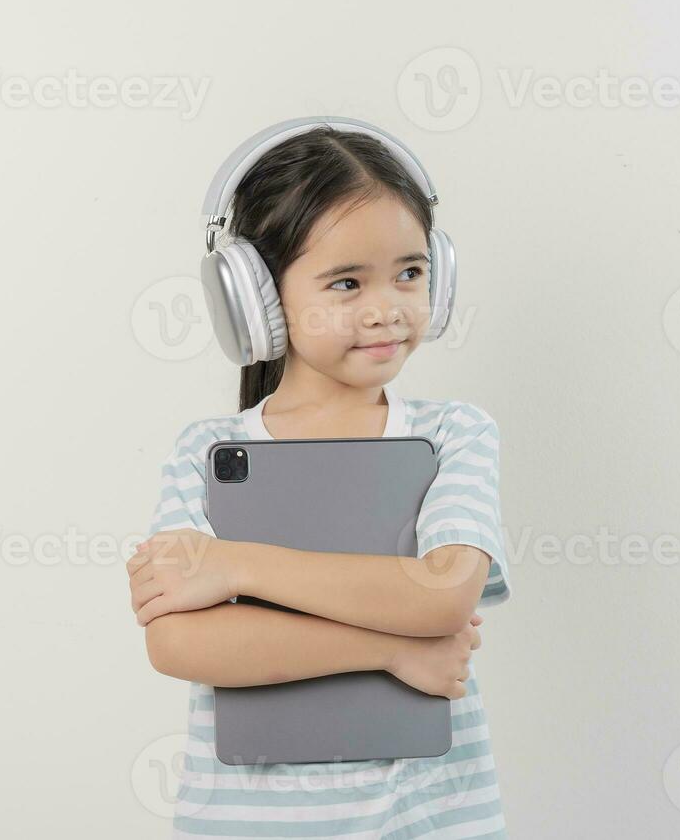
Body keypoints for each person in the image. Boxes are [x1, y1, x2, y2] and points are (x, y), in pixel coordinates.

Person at [126, 122, 512, 838]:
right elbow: (181, 644)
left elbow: (442, 595)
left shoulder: (453, 435)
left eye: (410, 271)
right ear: (257, 299)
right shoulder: (207, 451)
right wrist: (391, 648)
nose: (387, 307)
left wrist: (233, 565)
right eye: (345, 282)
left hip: (426, 822)